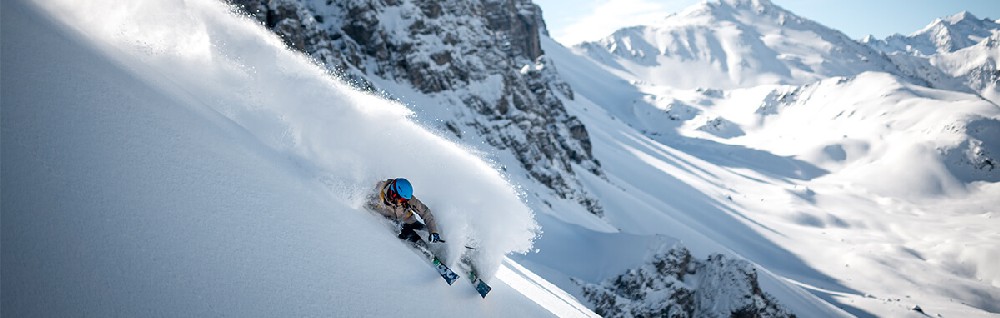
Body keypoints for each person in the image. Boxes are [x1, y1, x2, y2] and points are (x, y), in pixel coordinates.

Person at [366, 178, 444, 243]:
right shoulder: (377, 195)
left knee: (425, 230)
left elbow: (425, 212)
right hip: (395, 226)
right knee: (415, 239)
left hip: (409, 221)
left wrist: (433, 231)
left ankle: (441, 244)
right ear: (394, 194)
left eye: (405, 200)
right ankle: (427, 253)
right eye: (402, 200)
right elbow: (363, 200)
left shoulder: (407, 199)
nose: (404, 202)